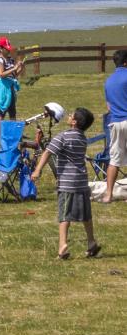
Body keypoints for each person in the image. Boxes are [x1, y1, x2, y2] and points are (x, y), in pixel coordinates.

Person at [32, 107, 101, 259]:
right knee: (86, 215)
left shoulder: (63, 136)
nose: (68, 116)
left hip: (67, 184)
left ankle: (62, 246)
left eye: (71, 115)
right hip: (82, 182)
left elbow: (47, 152)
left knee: (64, 215)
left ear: (74, 122)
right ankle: (91, 242)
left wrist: (37, 170)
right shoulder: (82, 138)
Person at [101, 49, 127, 203]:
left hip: (115, 122)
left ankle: (108, 194)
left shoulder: (108, 81)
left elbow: (109, 107)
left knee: (114, 159)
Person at [0, 36, 24, 121]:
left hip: (11, 88)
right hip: (3, 89)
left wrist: (20, 68)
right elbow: (1, 74)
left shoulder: (10, 59)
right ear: (0, 48)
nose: (8, 50)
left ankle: (12, 133)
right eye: (6, 48)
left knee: (13, 112)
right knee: (2, 112)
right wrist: (14, 68)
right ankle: (0, 134)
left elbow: (14, 75)